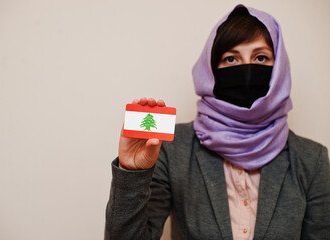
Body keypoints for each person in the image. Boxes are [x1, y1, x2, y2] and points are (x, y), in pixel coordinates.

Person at [105, 5, 330, 240]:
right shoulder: (173, 149)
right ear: (211, 69)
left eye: (261, 57)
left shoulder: (311, 159)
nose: (246, 70)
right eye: (231, 58)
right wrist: (131, 173)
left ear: (279, 69)